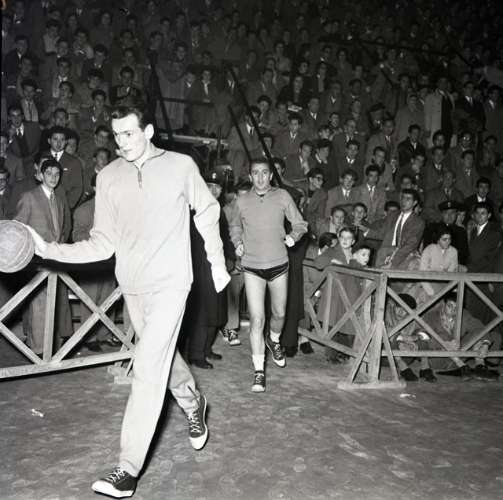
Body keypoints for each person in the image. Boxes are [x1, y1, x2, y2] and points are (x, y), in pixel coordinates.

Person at [25, 106, 230, 498]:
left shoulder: (180, 166)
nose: (122, 143)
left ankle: (127, 469)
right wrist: (48, 249)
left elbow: (207, 209)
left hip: (172, 283)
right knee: (161, 356)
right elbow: (102, 243)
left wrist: (217, 262)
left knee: (147, 366)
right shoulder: (108, 177)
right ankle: (193, 402)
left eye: (129, 134)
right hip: (133, 286)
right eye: (117, 136)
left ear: (148, 131)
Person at [229, 159, 308, 392]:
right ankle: (259, 371)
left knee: (279, 314)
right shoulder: (242, 201)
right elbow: (235, 226)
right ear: (250, 176)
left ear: (271, 175)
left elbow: (300, 223)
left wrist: (293, 236)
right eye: (256, 173)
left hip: (278, 263)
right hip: (252, 265)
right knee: (257, 319)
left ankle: (274, 340)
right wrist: (237, 242)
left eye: (265, 173)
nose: (260, 177)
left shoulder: (282, 196)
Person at [14, 157, 72, 356]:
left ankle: (46, 347)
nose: (53, 177)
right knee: (38, 305)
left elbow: (61, 231)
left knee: (51, 304)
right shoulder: (29, 197)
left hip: (54, 259)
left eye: (57, 174)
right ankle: (38, 351)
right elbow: (18, 228)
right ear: (40, 175)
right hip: (35, 261)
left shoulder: (59, 200)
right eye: (49, 173)